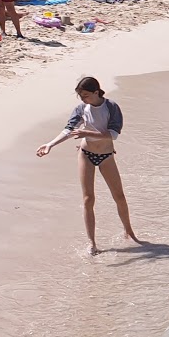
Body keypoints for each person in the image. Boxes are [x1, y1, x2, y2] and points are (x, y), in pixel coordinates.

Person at [36, 76, 138, 255]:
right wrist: (50, 144)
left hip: (106, 155)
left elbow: (113, 134)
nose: (83, 99)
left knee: (119, 196)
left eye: (86, 95)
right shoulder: (81, 109)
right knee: (88, 199)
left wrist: (86, 132)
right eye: (80, 96)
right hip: (86, 154)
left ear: (96, 92)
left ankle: (129, 231)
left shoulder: (111, 107)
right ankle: (92, 243)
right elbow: (69, 130)